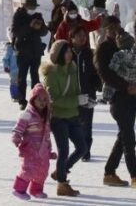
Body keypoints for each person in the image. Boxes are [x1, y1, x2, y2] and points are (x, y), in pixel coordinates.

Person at [94, 16, 136, 189]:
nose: (114, 30)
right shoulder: (103, 48)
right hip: (117, 98)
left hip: (132, 98)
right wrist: (126, 86)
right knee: (128, 138)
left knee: (124, 136)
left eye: (116, 26)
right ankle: (135, 174)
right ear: (105, 30)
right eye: (110, 27)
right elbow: (105, 74)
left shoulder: (129, 45)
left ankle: (109, 172)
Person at [41, 40, 86, 197]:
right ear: (58, 54)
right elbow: (54, 99)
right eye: (66, 52)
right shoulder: (51, 73)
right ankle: (62, 183)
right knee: (64, 150)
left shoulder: (73, 68)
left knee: (82, 148)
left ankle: (60, 172)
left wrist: (84, 100)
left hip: (72, 115)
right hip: (58, 118)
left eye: (70, 51)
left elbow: (75, 90)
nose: (70, 54)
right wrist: (76, 101)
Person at [11, 83, 53, 200]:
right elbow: (18, 128)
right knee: (29, 169)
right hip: (30, 148)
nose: (42, 102)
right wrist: (16, 137)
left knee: (43, 171)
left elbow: (47, 134)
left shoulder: (45, 116)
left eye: (45, 100)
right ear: (33, 99)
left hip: (43, 149)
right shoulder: (27, 114)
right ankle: (19, 189)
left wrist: (49, 149)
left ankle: (36, 190)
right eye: (39, 99)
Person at [12, 0, 48, 107]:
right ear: (25, 6)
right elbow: (16, 32)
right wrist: (29, 26)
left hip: (36, 50)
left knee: (35, 76)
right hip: (22, 50)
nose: (32, 9)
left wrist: (40, 27)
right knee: (22, 77)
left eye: (34, 7)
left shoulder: (38, 16)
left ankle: (35, 99)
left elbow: (44, 32)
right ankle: (22, 100)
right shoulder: (18, 15)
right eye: (30, 7)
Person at [69, 27, 99, 162]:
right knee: (74, 125)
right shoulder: (67, 54)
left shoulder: (90, 53)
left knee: (87, 125)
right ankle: (79, 147)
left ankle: (86, 151)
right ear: (72, 38)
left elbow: (96, 72)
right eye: (79, 35)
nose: (82, 38)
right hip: (72, 96)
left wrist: (97, 84)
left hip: (88, 94)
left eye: (84, 35)